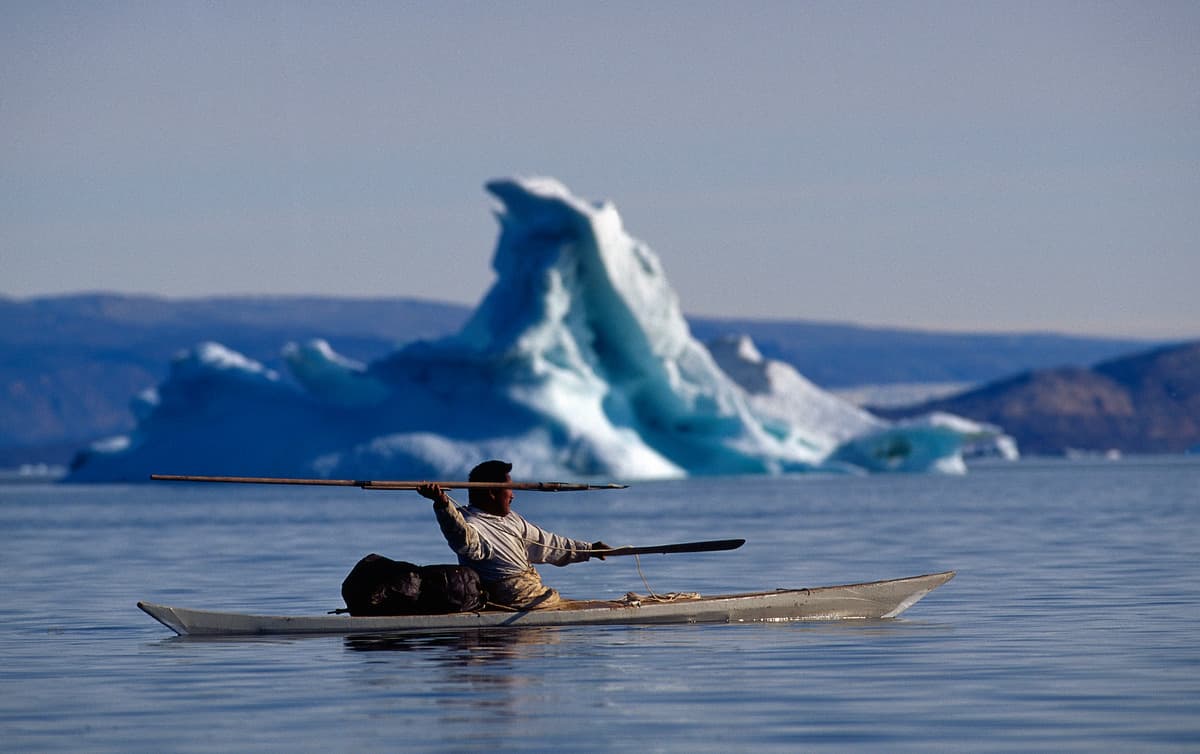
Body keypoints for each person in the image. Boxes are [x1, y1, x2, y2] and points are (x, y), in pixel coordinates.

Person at [418, 460, 610, 610]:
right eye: (509, 489)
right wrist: (443, 504)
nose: (513, 495)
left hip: (535, 597)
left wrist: (590, 549)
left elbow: (549, 544)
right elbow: (463, 541)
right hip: (514, 601)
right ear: (492, 492)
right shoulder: (471, 523)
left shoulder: (512, 520)